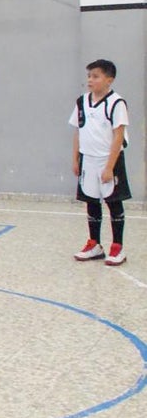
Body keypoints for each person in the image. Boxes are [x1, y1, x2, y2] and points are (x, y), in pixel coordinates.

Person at [70, 59, 131, 265]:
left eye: (95, 76)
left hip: (108, 160)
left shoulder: (117, 103)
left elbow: (118, 136)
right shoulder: (82, 102)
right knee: (91, 201)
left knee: (113, 202)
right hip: (88, 160)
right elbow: (78, 131)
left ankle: (117, 247)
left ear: (109, 80)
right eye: (89, 76)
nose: (90, 80)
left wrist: (109, 167)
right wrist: (76, 158)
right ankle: (95, 243)